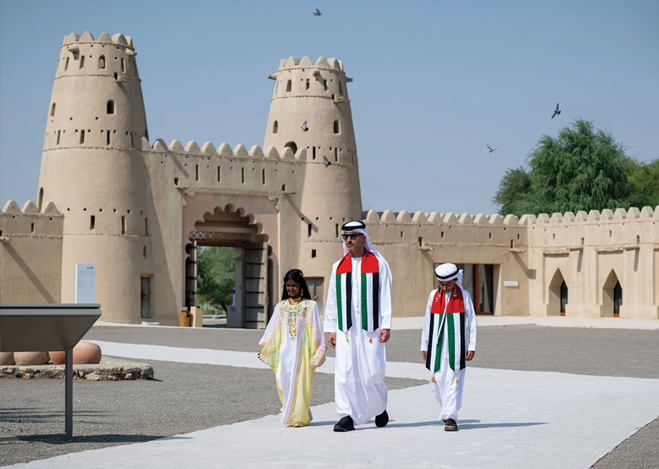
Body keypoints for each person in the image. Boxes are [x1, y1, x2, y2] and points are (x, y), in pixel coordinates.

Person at [324, 220, 393, 432]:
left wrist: (386, 324)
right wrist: (331, 328)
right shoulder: (338, 266)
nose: (349, 240)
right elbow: (332, 298)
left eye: (353, 236)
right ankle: (346, 416)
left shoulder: (378, 264)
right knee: (345, 374)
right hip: (345, 329)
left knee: (372, 372)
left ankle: (379, 408)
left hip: (371, 328)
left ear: (363, 237)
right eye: (346, 237)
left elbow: (385, 295)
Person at [259, 269, 327, 427]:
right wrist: (267, 350)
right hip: (284, 352)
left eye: (294, 285)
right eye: (288, 285)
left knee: (300, 383)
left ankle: (298, 418)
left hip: (302, 352)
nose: (290, 289)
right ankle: (299, 411)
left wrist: (318, 351)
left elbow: (316, 330)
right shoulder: (280, 307)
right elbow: (273, 330)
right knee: (283, 381)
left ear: (301, 286)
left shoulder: (310, 306)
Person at [421, 263, 477, 431]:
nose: (444, 288)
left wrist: (472, 345)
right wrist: (425, 345)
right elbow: (427, 321)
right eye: (442, 284)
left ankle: (451, 417)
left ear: (456, 281)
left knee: (454, 378)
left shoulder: (464, 296)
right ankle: (446, 408)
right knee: (437, 379)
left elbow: (472, 321)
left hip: (457, 346)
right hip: (436, 345)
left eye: (448, 284)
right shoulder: (433, 295)